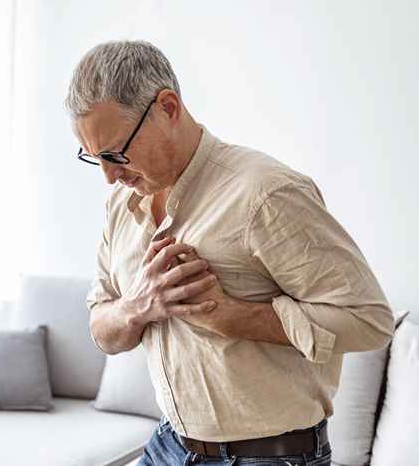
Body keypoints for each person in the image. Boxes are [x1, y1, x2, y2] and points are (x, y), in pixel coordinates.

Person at [64, 40, 394, 466]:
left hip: (271, 457)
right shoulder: (120, 206)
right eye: (94, 159)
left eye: (115, 153)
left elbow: (370, 320)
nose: (109, 177)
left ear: (168, 108)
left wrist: (232, 316)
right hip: (169, 444)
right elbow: (101, 326)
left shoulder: (266, 194)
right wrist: (137, 307)